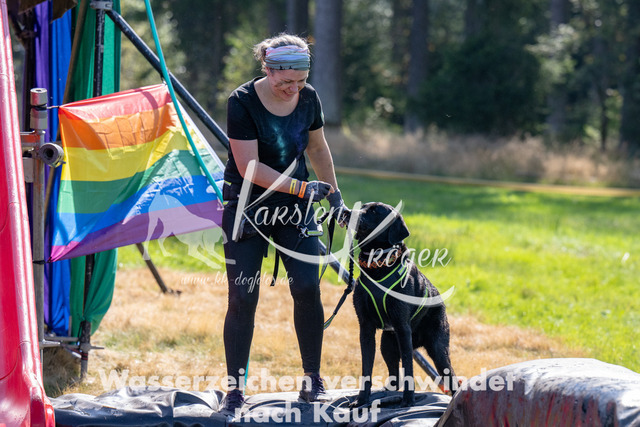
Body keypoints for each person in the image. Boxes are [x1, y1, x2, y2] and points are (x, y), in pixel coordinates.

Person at [219, 33, 348, 415]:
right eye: (286, 81)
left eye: (301, 81)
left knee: (307, 287)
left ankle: (312, 380)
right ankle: (235, 391)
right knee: (243, 296)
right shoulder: (242, 101)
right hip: (248, 206)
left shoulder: (309, 98)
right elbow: (249, 167)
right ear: (268, 68)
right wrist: (302, 188)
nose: (294, 89)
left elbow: (317, 147)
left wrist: (335, 196)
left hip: (296, 206)